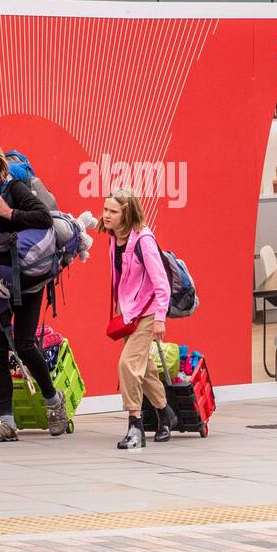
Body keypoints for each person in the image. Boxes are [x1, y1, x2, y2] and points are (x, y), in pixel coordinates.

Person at [0, 137, 67, 442]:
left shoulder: (12, 189)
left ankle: (53, 400)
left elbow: (43, 218)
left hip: (27, 280)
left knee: (24, 343)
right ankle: (5, 422)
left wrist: (9, 214)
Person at [102, 188, 176, 449]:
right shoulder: (114, 238)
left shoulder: (143, 239)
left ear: (127, 212)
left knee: (127, 365)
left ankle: (136, 426)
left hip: (147, 313)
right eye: (105, 209)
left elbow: (161, 283)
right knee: (144, 370)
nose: (106, 215)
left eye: (112, 211)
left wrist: (160, 318)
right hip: (130, 314)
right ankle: (166, 412)